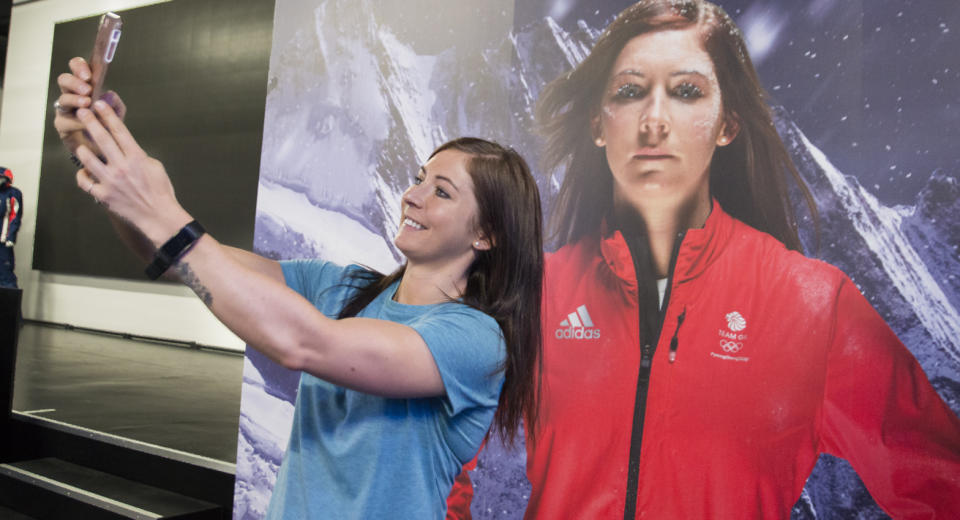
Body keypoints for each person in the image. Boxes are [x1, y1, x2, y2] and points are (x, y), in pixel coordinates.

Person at [448, 1, 960, 518]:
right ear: (598, 124)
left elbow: (945, 484)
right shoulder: (539, 293)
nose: (654, 120)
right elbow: (425, 446)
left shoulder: (813, 307)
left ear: (727, 124)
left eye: (686, 92)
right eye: (629, 91)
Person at [53, 57, 543, 519]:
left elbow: (306, 343)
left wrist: (160, 208)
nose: (412, 196)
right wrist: (95, 157)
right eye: (419, 179)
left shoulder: (475, 338)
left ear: (486, 234)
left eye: (441, 191)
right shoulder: (339, 287)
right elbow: (182, 262)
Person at [0, 167, 22, 289]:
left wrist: (11, 236)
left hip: (3, 242)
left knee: (6, 275)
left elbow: (15, 216)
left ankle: (8, 307)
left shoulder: (13, 193)